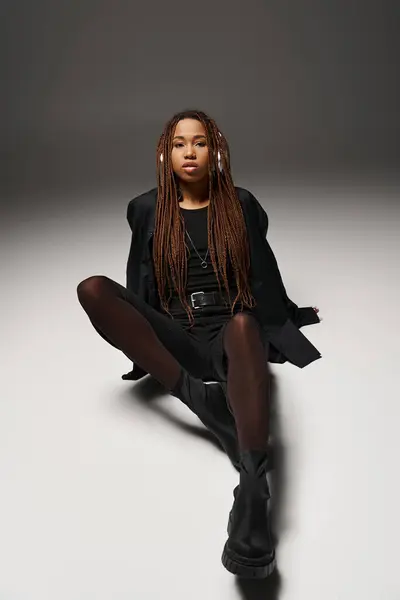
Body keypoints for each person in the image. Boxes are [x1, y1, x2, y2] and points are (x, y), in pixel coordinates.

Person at [76, 109, 322, 579]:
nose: (190, 152)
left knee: (246, 325)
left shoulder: (241, 203)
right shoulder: (146, 208)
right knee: (92, 288)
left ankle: (253, 491)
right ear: (165, 154)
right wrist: (140, 335)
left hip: (230, 333)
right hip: (179, 333)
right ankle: (199, 398)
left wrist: (290, 317)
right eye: (179, 144)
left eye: (200, 143)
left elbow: (264, 273)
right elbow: (138, 280)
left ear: (217, 150)